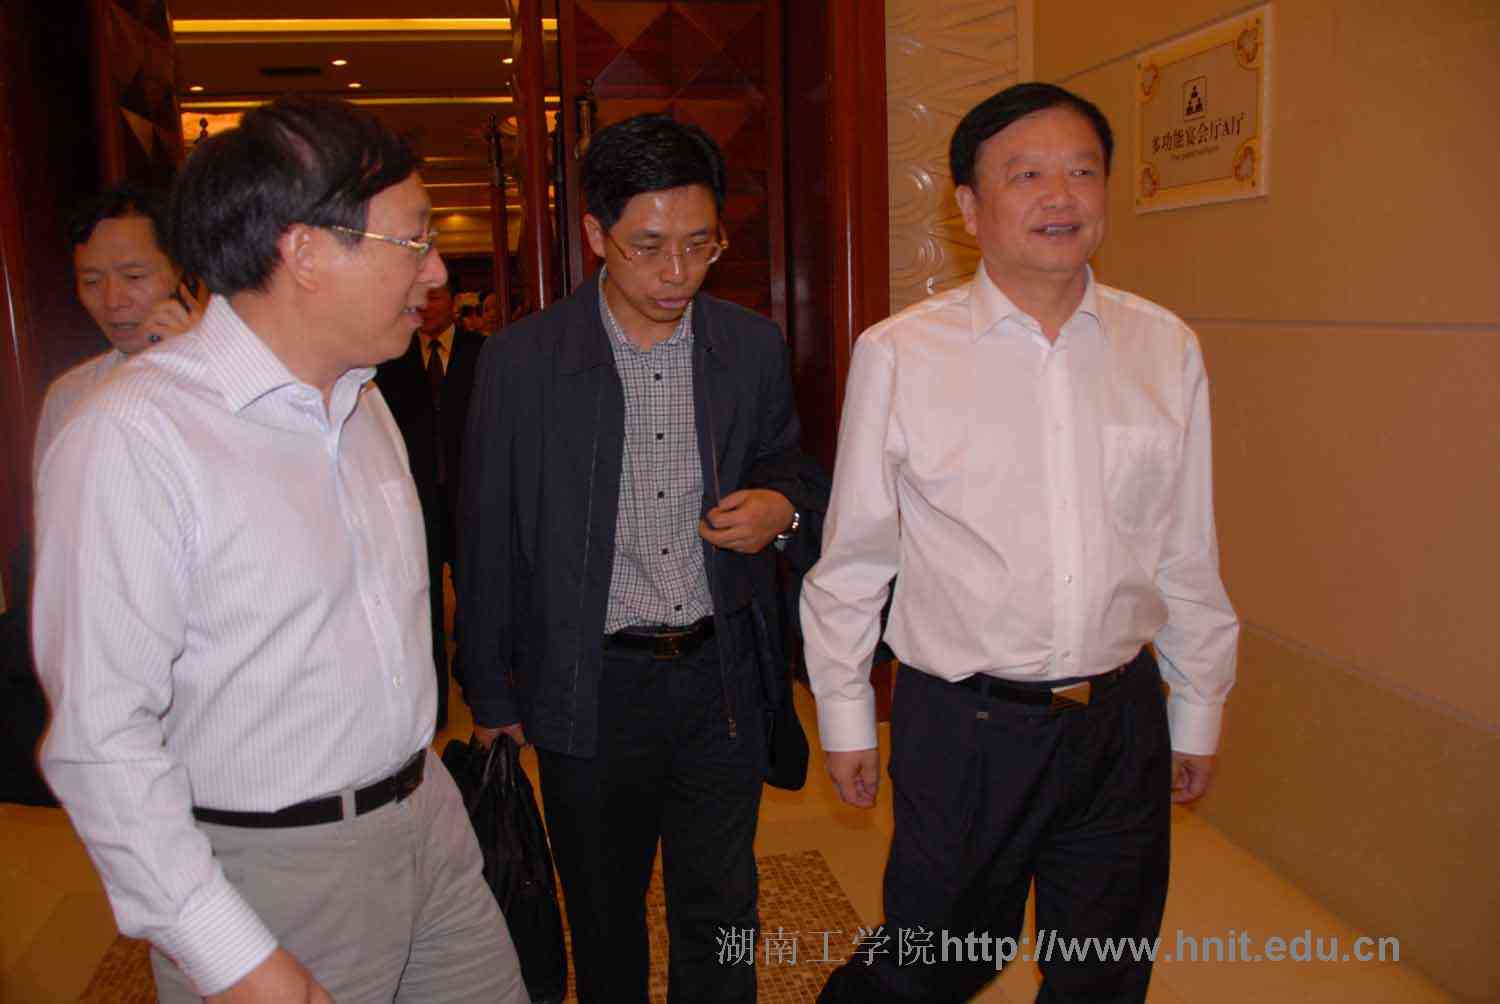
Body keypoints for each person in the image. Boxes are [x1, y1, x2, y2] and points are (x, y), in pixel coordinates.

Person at [32, 95, 529, 1004]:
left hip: (426, 819)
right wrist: (229, 955)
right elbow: (102, 741)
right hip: (275, 869)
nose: (435, 271)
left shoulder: (364, 399)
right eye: (413, 240)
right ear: (304, 251)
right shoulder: (135, 436)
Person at [801, 82, 1239, 1003]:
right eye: (1026, 175)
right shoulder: (901, 353)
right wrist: (845, 712)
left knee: (1104, 974)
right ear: (968, 207)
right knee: (934, 964)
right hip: (967, 724)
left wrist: (1197, 704)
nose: (1060, 196)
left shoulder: (1164, 347)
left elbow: (1186, 549)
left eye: (1082, 171)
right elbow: (856, 555)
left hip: (1121, 721)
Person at [458, 113, 825, 1004]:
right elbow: (486, 533)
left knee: (722, 908)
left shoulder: (748, 346)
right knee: (602, 910)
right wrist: (492, 694)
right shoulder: (523, 362)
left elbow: (791, 465)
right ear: (596, 235)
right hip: (590, 682)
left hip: (719, 676)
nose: (677, 274)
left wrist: (781, 508)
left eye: (701, 245)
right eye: (649, 247)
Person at [32, 184, 205, 476]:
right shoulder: (69, 395)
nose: (113, 301)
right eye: (91, 282)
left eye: (134, 276)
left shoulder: (229, 378)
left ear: (180, 273)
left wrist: (200, 364)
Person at [376, 272, 485, 730]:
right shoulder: (393, 358)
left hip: (471, 498)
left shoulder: (481, 352)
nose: (426, 305)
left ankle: (482, 690)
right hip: (416, 502)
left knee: (478, 599)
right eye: (418, 297)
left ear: (453, 301)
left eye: (435, 296)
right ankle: (434, 706)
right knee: (424, 607)